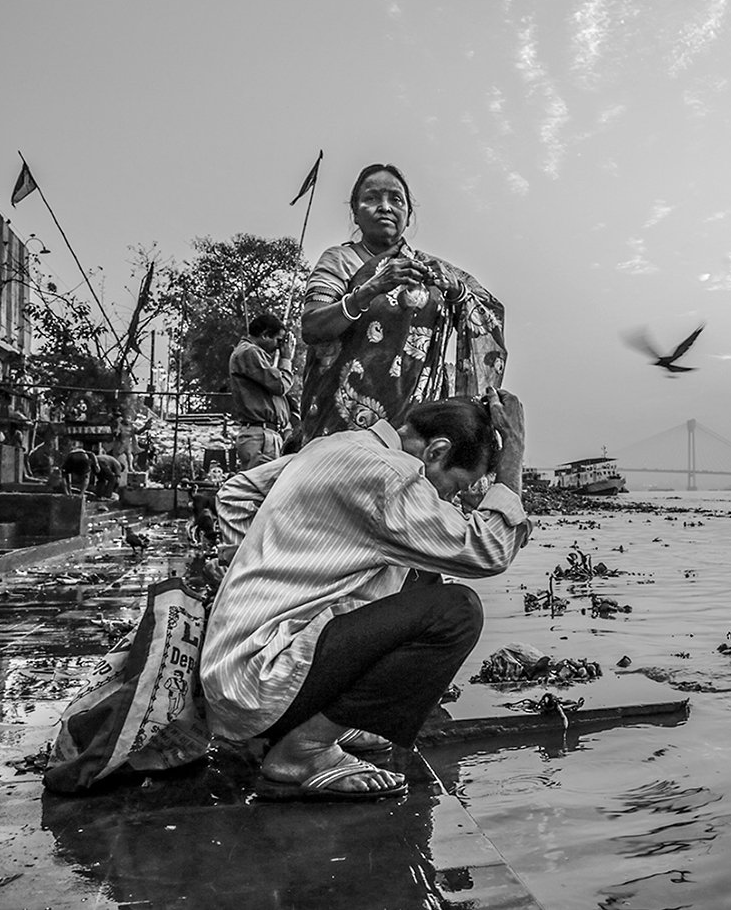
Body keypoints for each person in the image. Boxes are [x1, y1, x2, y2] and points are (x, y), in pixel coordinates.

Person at [200, 388, 530, 801]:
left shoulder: (337, 446)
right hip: (259, 685)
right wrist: (513, 448)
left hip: (236, 671)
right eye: (455, 486)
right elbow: (490, 551)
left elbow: (238, 492)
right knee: (456, 611)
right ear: (436, 451)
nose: (449, 499)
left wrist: (251, 568)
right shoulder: (389, 476)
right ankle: (304, 750)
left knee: (425, 576)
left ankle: (331, 717)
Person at [297, 163, 506, 445]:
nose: (385, 207)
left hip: (408, 429)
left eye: (396, 199)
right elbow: (312, 326)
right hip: (337, 425)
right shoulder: (339, 260)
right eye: (372, 198)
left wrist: (457, 293)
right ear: (355, 214)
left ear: (408, 216)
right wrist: (369, 290)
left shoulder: (430, 270)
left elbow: (486, 313)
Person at [228, 312, 294, 470]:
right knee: (262, 490)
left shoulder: (251, 353)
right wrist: (286, 359)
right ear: (265, 335)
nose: (279, 347)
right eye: (278, 340)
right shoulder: (249, 352)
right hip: (260, 436)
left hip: (265, 435)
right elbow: (280, 385)